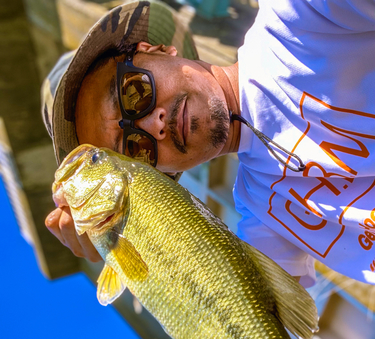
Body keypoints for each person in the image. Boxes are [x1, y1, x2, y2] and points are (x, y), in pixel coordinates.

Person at [42, 0, 375, 287]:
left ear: (155, 51)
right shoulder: (262, 215)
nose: (152, 124)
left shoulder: (302, 19)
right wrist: (128, 252)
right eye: (133, 150)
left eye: (135, 92)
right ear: (158, 175)